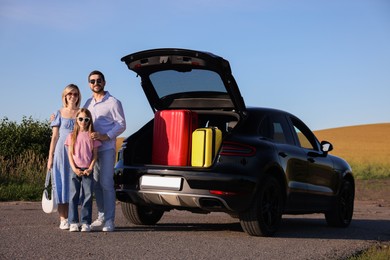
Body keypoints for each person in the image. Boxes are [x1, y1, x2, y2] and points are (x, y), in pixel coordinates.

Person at [84, 70, 126, 232]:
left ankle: (110, 220)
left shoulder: (114, 102)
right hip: (91, 150)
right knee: (96, 185)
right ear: (89, 84)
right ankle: (101, 217)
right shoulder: (87, 103)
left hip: (107, 148)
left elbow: (121, 124)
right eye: (92, 81)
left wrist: (105, 136)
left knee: (107, 183)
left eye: (99, 80)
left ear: (104, 82)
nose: (96, 83)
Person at [47, 84, 81, 230]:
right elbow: (54, 137)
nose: (72, 96)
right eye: (69, 94)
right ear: (65, 96)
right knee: (61, 183)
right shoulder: (58, 113)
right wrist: (50, 157)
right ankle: (63, 219)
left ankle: (73, 218)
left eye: (75, 94)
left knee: (74, 184)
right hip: (61, 152)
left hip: (77, 152)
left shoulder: (82, 112)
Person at [65, 108, 101, 232]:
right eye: (80, 119)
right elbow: (70, 154)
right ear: (77, 120)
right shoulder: (71, 136)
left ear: (89, 120)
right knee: (74, 195)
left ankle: (86, 222)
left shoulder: (93, 136)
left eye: (86, 119)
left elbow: (95, 155)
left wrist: (90, 168)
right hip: (75, 169)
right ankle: (73, 221)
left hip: (87, 170)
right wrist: (74, 168)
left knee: (88, 196)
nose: (83, 121)